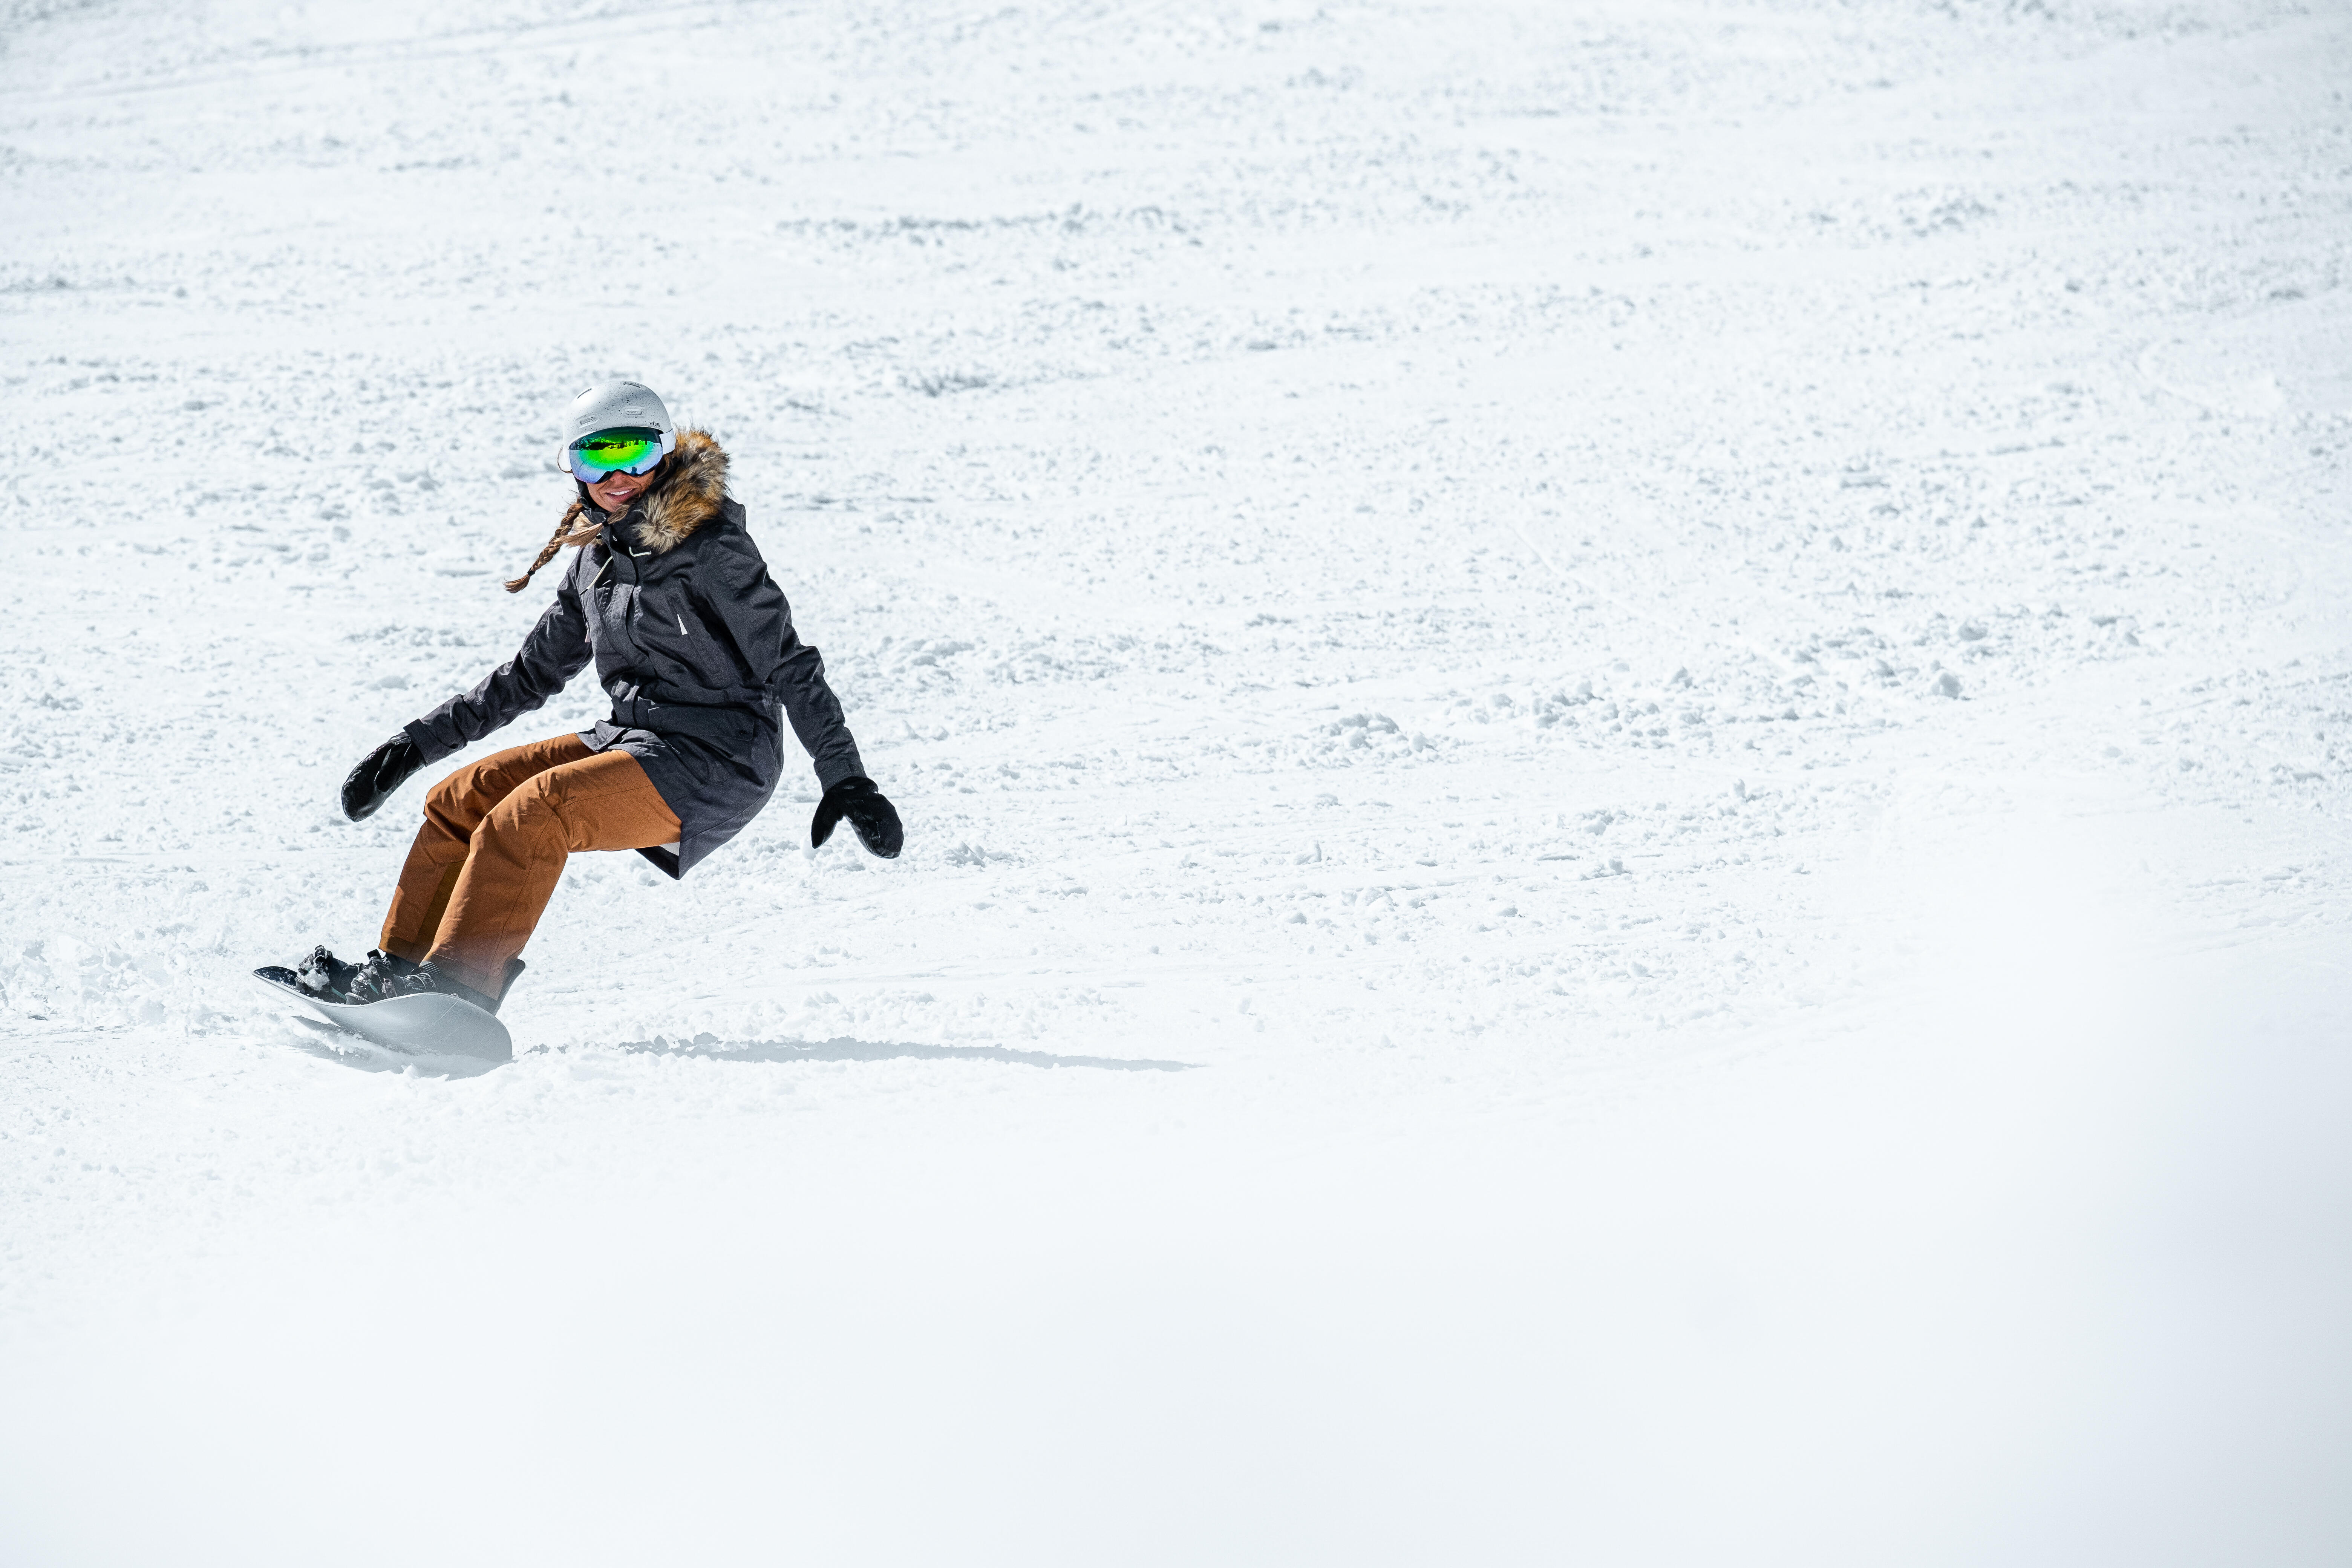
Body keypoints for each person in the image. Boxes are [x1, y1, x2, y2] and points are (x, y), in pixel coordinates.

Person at [290, 380, 902, 1014]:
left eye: (633, 454)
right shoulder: (595, 560)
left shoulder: (713, 550)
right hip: (636, 739)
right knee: (461, 799)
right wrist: (414, 746)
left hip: (719, 760)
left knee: (535, 812)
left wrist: (847, 779)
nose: (617, 476)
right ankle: (394, 974)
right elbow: (529, 675)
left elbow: (790, 665)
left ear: (664, 455)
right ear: (574, 469)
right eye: (596, 458)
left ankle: (457, 991)